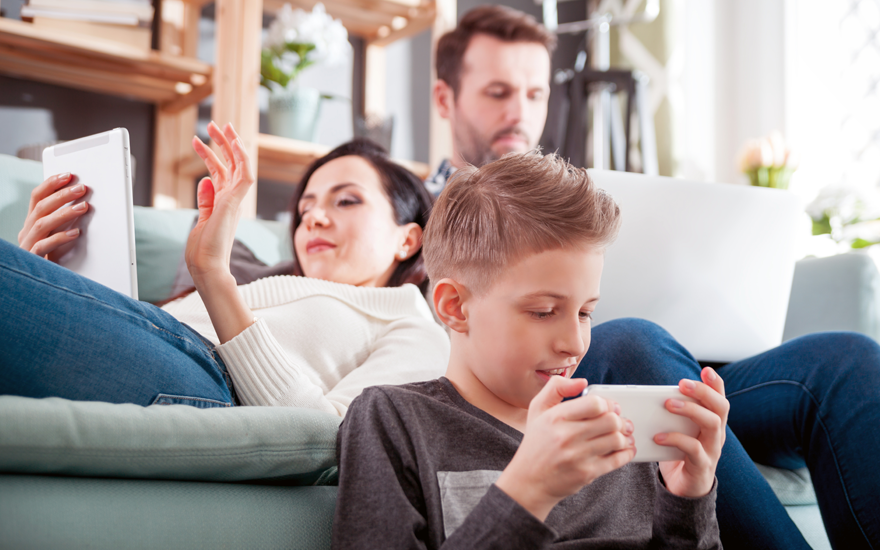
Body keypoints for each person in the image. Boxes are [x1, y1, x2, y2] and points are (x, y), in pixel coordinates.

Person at [426, 5, 880, 550]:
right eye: (499, 93)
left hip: (672, 364)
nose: (519, 112)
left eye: (535, 93)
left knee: (845, 360)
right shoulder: (409, 206)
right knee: (631, 339)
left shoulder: (583, 200)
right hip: (587, 370)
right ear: (446, 100)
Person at [333, 151, 726, 549]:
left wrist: (687, 503)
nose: (574, 344)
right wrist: (527, 492)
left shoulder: (617, 432)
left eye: (586, 312)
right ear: (455, 307)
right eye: (543, 312)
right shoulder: (395, 419)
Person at [2, 125, 449, 415]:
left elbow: (330, 438)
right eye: (306, 207)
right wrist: (41, 273)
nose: (312, 217)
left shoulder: (415, 328)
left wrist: (213, 274)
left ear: (408, 238)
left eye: (346, 200)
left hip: (204, 376)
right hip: (156, 340)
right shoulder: (275, 287)